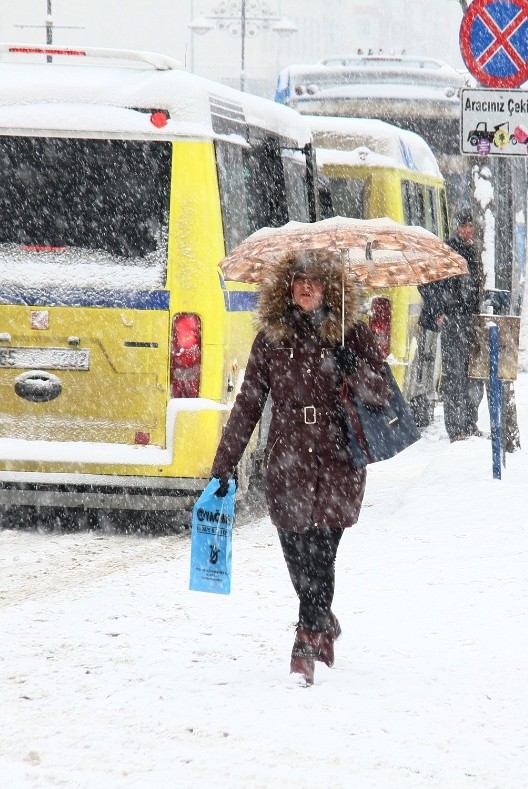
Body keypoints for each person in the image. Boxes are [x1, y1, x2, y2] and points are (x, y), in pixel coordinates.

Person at [209, 249, 391, 686]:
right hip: (288, 459)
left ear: (329, 287)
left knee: (320, 553)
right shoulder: (271, 338)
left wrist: (355, 371)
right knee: (296, 553)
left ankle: (306, 643)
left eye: (314, 280)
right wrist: (224, 464)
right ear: (286, 288)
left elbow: (382, 393)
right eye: (297, 281)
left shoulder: (351, 333)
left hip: (337, 461)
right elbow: (249, 403)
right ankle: (323, 620)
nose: (305, 288)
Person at [419, 207, 485, 441]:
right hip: (454, 321)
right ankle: (456, 428)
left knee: (473, 375)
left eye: (470, 226)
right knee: (455, 376)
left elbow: (474, 288)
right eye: (463, 226)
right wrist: (438, 311)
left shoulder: (473, 251)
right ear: (456, 227)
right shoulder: (446, 250)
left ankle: (469, 424)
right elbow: (425, 279)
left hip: (471, 322)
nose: (467, 230)